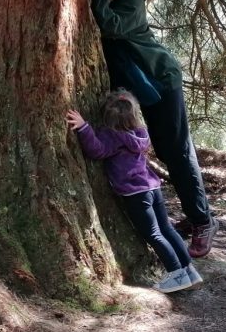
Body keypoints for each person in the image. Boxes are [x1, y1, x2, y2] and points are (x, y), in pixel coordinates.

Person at [89, 0, 218, 257]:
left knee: (175, 149)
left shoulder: (132, 1)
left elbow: (109, 26)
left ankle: (203, 220)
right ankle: (195, 214)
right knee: (160, 148)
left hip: (159, 79)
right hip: (139, 84)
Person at [66, 92, 202, 294]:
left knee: (154, 234)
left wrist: (85, 127)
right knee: (167, 229)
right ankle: (189, 270)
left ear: (107, 118)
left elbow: (97, 150)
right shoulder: (141, 133)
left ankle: (177, 273)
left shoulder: (113, 136)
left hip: (135, 192)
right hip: (152, 187)